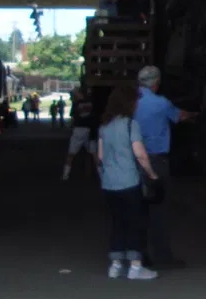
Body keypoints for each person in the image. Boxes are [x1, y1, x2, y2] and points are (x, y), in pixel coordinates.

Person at [134, 65, 196, 268]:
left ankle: (139, 255)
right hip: (156, 160)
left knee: (137, 208)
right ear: (157, 83)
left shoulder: (131, 102)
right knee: (158, 209)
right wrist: (194, 114)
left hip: (133, 160)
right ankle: (162, 256)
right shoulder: (161, 103)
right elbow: (179, 116)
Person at [95, 87, 159, 280]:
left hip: (109, 184)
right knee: (135, 223)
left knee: (117, 223)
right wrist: (152, 174)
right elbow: (140, 154)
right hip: (129, 182)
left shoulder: (104, 127)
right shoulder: (131, 125)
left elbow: (99, 157)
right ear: (129, 104)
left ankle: (115, 266)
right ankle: (136, 267)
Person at [61, 86, 96, 181]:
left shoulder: (76, 104)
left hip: (78, 129)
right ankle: (101, 175)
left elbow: (73, 118)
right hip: (90, 130)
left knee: (71, 154)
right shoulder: (91, 102)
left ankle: (65, 175)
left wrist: (70, 126)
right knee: (94, 153)